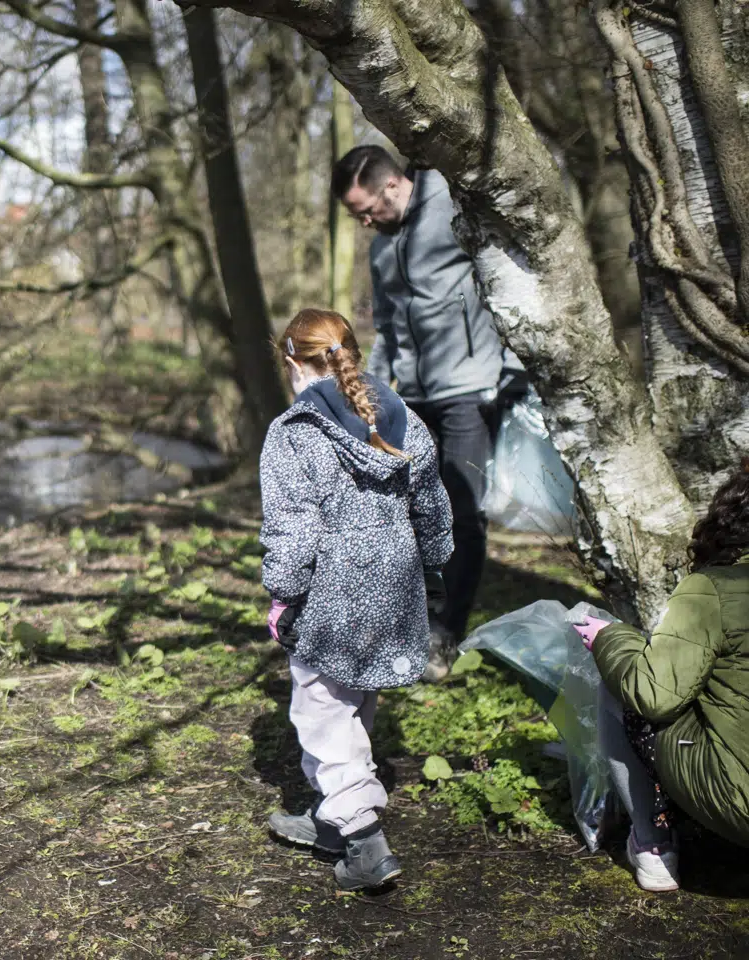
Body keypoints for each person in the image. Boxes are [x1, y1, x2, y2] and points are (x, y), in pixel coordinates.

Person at [259, 308, 453, 891]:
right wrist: (435, 562)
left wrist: (284, 594)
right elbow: (432, 502)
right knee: (353, 697)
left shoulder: (294, 434)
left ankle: (364, 843)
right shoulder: (401, 417)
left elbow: (292, 528)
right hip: (394, 579)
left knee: (320, 711)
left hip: (332, 592)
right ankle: (333, 816)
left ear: (293, 362)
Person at [332, 145, 528, 680]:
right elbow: (390, 328)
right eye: (357, 217)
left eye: (366, 209)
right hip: (414, 397)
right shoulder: (381, 251)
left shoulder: (453, 210)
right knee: (414, 511)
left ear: (393, 185)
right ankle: (411, 623)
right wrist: (368, 389)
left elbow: (508, 278)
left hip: (471, 388)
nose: (365, 221)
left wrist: (511, 368)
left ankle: (445, 636)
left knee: (463, 514)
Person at [575, 460, 749, 891]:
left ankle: (653, 845)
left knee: (625, 685)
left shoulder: (714, 588)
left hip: (739, 805)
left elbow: (654, 695)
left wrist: (608, 639)